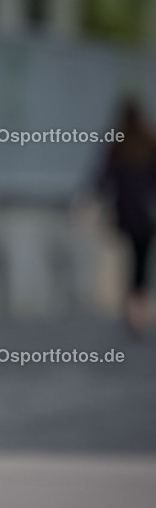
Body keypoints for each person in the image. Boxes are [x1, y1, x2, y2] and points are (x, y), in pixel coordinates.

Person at [98, 97, 156, 336]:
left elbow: (103, 178)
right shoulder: (149, 142)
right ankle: (138, 313)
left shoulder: (117, 145)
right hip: (146, 214)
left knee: (130, 261)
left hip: (125, 214)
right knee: (142, 263)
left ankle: (131, 311)